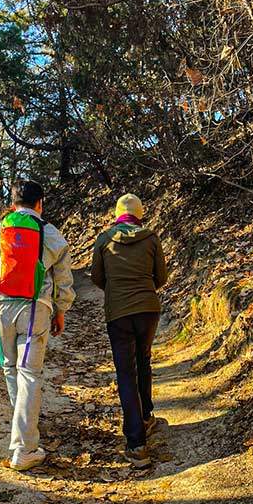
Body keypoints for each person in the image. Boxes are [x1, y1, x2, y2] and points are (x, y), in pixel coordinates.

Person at [0, 179, 75, 471]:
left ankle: (23, 439)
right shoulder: (50, 234)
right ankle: (24, 447)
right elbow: (64, 280)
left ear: (12, 203)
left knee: (11, 370)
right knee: (29, 373)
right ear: (40, 204)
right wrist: (61, 309)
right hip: (35, 308)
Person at [91, 194, 168, 468]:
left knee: (126, 373)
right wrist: (142, 290)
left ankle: (136, 444)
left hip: (119, 313)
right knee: (143, 360)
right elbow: (161, 277)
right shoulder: (151, 238)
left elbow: (97, 277)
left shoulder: (104, 240)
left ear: (116, 215)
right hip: (148, 310)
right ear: (140, 214)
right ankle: (146, 417)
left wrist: (117, 292)